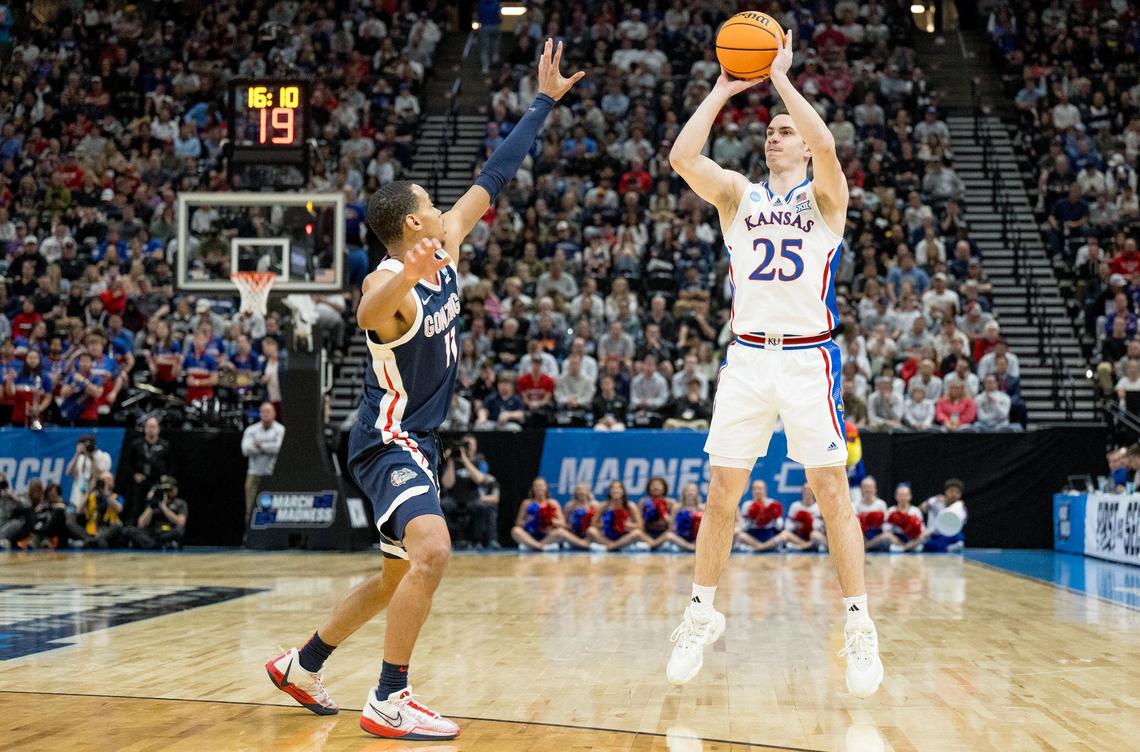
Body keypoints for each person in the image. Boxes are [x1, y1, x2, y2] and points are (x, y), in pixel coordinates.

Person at [266, 42, 583, 740]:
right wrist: (412, 271)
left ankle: (302, 663)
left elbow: (495, 176)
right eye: (432, 207)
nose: (447, 209)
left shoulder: (449, 242)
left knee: (393, 577)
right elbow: (369, 311)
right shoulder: (391, 283)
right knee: (434, 552)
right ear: (413, 225)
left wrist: (543, 103)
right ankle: (389, 696)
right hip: (387, 438)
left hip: (419, 438)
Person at [664, 30, 882, 695]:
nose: (774, 136)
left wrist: (782, 79)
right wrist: (726, 87)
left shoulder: (825, 199)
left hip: (809, 360)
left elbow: (827, 146)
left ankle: (859, 622)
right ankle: (701, 613)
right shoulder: (738, 195)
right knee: (722, 495)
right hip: (746, 361)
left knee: (832, 494)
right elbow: (681, 157)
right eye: (770, 132)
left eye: (784, 131)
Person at [440, 434, 492, 548]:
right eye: (465, 444)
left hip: (472, 498)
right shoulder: (453, 462)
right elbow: (447, 484)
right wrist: (450, 461)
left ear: (475, 447)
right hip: (454, 498)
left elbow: (479, 480)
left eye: (470, 445)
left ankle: (477, 541)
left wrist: (465, 460)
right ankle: (449, 540)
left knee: (481, 507)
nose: (467, 448)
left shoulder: (479, 461)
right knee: (442, 505)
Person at [241, 402, 285, 536]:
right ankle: (250, 536)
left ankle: (272, 534)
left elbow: (279, 448)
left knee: (273, 506)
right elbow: (245, 450)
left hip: (272, 474)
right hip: (254, 473)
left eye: (268, 412)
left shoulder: (280, 430)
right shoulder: (251, 430)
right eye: (263, 412)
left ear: (274, 414)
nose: (265, 415)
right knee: (250, 508)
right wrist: (268, 447)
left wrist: (261, 446)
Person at [120, 416, 172, 524]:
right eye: (148, 427)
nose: (151, 429)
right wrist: (135, 474)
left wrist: (165, 476)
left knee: (155, 507)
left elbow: (171, 464)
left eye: (153, 427)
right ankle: (132, 531)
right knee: (136, 507)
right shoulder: (136, 444)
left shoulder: (165, 445)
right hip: (141, 482)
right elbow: (127, 463)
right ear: (145, 429)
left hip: (157, 482)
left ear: (158, 429)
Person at [588, 480, 654, 551]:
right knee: (591, 530)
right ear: (609, 492)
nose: (616, 490)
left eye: (619, 488)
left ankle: (610, 547)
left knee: (637, 533)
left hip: (625, 536)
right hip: (608, 537)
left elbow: (640, 526)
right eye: (613, 488)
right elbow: (593, 524)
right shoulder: (604, 506)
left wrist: (625, 525)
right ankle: (615, 546)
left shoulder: (630, 505)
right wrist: (607, 524)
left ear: (623, 491)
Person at [510, 477, 567, 550]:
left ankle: (534, 546)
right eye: (536, 486)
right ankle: (540, 547)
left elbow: (563, 523)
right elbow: (518, 522)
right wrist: (531, 522)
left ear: (546, 488)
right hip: (530, 534)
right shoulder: (526, 503)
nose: (539, 488)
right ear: (533, 488)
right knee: (515, 530)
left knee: (561, 532)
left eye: (541, 486)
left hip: (548, 535)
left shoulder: (553, 503)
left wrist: (548, 521)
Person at [65, 435, 112, 511]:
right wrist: (77, 454)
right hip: (77, 497)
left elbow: (101, 477)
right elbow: (69, 472)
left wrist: (91, 457)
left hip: (93, 498)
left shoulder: (104, 456)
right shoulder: (80, 458)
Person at [654, 482, 705, 552]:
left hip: (695, 538)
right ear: (684, 493)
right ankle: (690, 547)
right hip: (680, 537)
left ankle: (692, 546)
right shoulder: (677, 507)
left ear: (697, 492)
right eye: (688, 490)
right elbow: (671, 527)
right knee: (668, 535)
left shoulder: (702, 508)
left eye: (693, 490)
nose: (690, 492)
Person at [921, 478, 968, 552]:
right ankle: (946, 548)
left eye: (957, 492)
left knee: (959, 536)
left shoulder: (960, 507)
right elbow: (922, 509)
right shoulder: (936, 501)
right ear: (946, 491)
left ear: (960, 495)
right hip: (933, 535)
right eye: (951, 491)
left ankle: (949, 547)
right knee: (929, 545)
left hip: (948, 535)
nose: (953, 495)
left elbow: (960, 525)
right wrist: (929, 502)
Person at [784, 484, 828, 551]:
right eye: (805, 490)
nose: (808, 492)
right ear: (802, 491)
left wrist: (815, 523)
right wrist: (797, 525)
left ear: (814, 491)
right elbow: (788, 525)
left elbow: (827, 527)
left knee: (814, 535)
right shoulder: (795, 506)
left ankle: (801, 547)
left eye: (810, 490)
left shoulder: (819, 507)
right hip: (800, 537)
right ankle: (806, 546)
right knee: (785, 534)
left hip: (815, 536)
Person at [853, 477, 890, 551]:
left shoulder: (881, 504)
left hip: (876, 538)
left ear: (875, 489)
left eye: (870, 487)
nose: (867, 490)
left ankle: (866, 547)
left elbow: (886, 526)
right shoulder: (854, 505)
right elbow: (854, 526)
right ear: (861, 489)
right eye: (865, 487)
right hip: (860, 536)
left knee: (887, 537)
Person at [638, 476, 676, 543]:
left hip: (664, 535)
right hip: (647, 534)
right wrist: (647, 515)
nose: (655, 487)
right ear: (648, 488)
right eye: (653, 485)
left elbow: (674, 525)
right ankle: (653, 543)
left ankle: (655, 544)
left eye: (658, 485)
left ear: (664, 488)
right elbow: (640, 524)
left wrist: (663, 513)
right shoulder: (643, 502)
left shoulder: (671, 503)